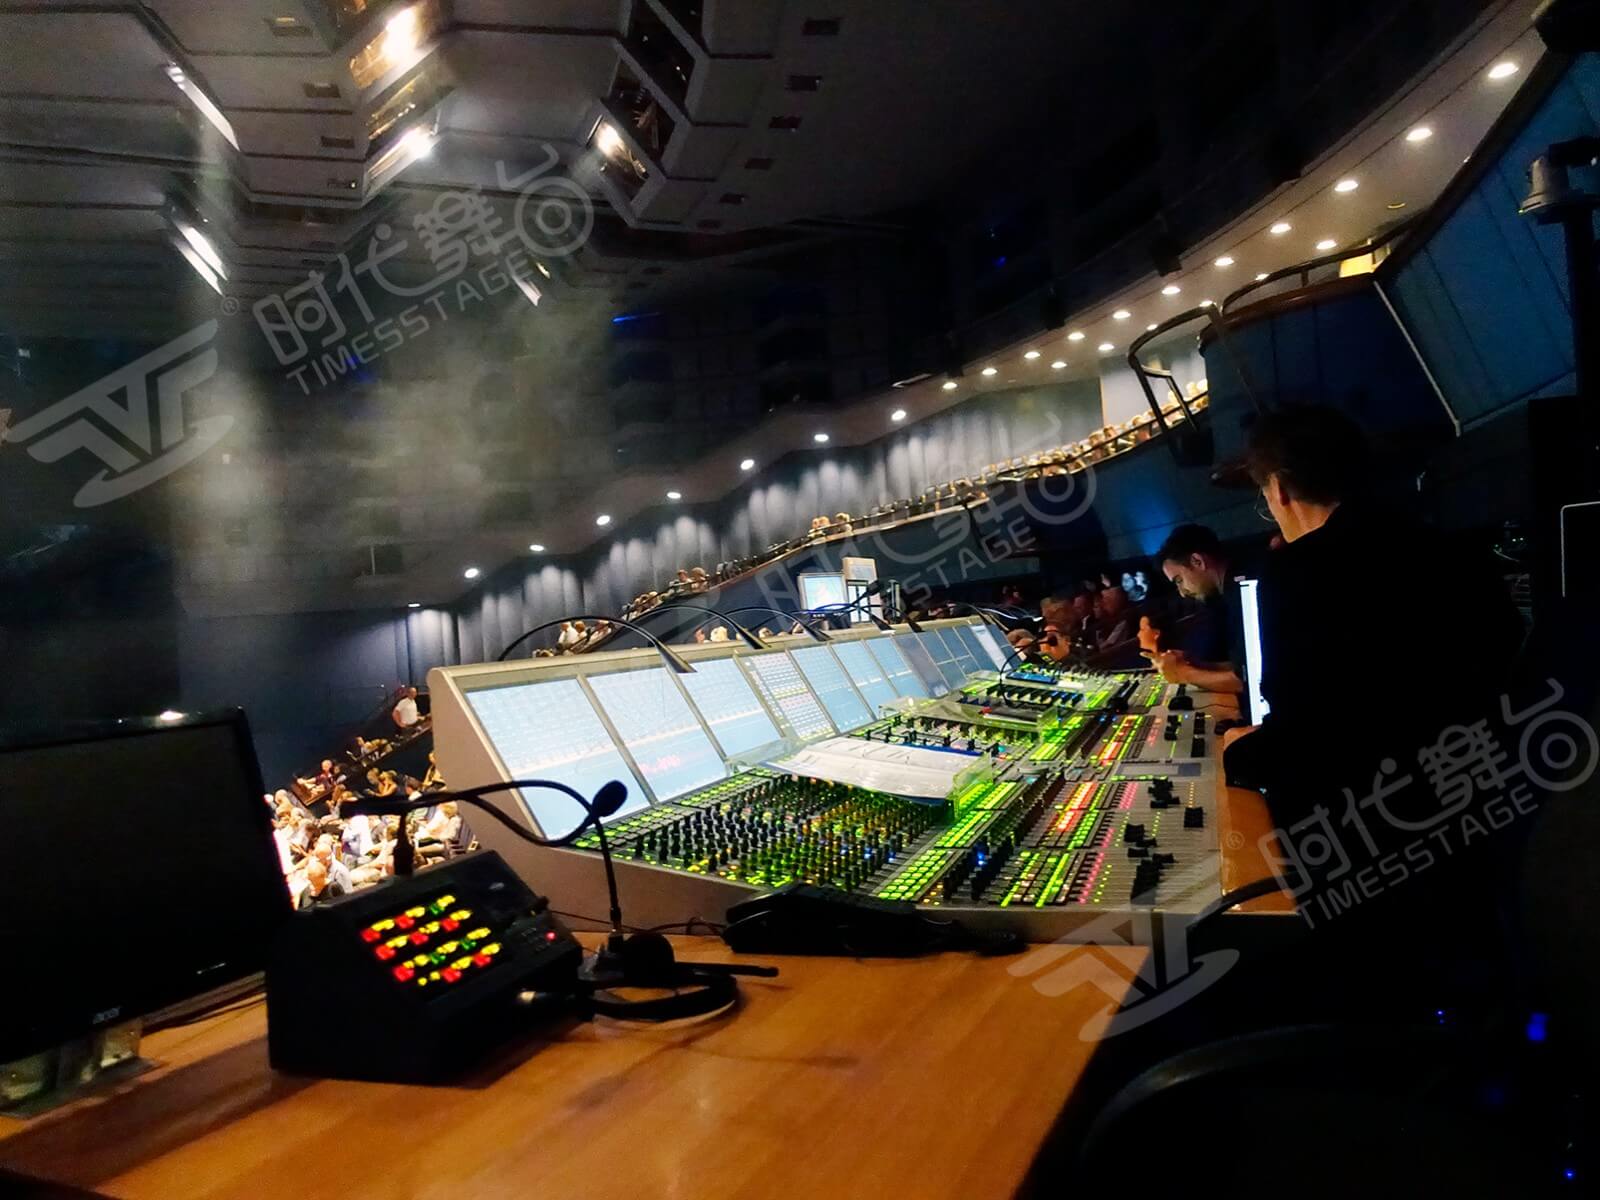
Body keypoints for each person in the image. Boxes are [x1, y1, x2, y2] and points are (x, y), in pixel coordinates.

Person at [1223, 406, 1522, 840]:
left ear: (1280, 489)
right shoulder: (1455, 551)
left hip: (1371, 831)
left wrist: (1238, 751)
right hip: (1482, 812)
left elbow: (1310, 740)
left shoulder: (1297, 571)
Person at [1151, 523, 1244, 695]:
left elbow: (1250, 680)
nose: (1182, 593)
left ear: (1197, 561)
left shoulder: (1244, 591)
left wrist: (1183, 674)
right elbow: (1244, 666)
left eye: (1179, 580)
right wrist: (1195, 664)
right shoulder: (1231, 591)